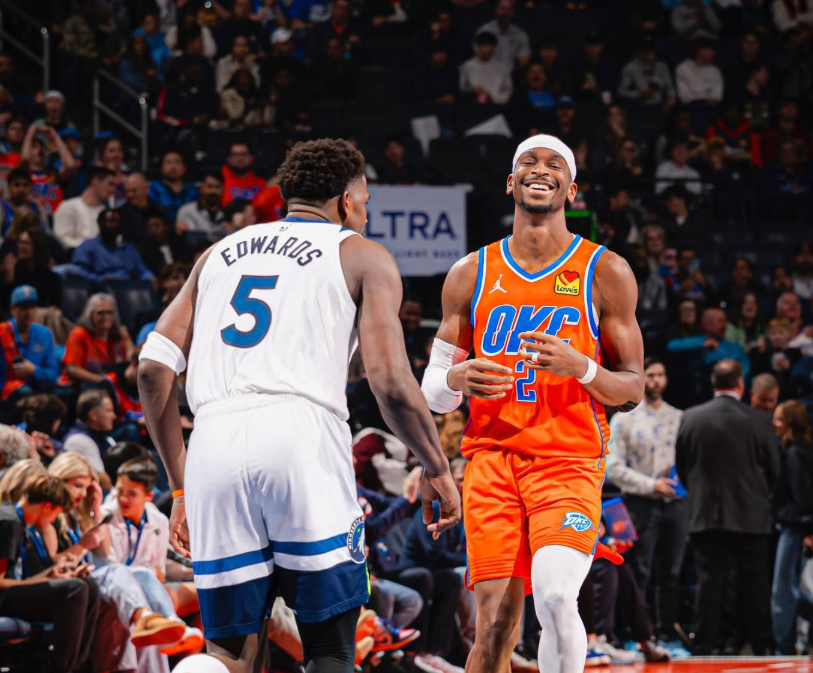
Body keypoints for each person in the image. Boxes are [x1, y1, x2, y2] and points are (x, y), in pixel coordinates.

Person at [137, 138, 460, 673]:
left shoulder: (217, 254)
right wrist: (436, 465)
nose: (365, 214)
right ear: (346, 202)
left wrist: (180, 486)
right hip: (301, 436)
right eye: (365, 203)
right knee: (330, 648)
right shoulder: (362, 254)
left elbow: (152, 369)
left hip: (213, 441)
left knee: (228, 654)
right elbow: (388, 380)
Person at [421, 134, 644, 673]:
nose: (540, 170)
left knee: (556, 595)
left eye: (554, 165)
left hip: (568, 461)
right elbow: (432, 393)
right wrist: (456, 377)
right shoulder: (469, 272)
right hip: (492, 462)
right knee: (493, 628)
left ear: (571, 188)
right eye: (528, 162)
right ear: (510, 182)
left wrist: (582, 367)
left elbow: (633, 388)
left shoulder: (605, 270)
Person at [675, 359, 778, 655]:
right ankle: (762, 647)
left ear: (713, 383)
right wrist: (759, 497)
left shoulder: (691, 417)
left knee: (709, 583)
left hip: (705, 514)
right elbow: (774, 470)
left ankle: (703, 646)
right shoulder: (759, 420)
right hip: (751, 514)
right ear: (741, 384)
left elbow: (683, 466)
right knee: (755, 584)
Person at [606, 358, 686, 643]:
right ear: (641, 378)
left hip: (676, 504)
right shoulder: (624, 418)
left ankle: (666, 634)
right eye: (650, 375)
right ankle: (639, 635)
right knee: (640, 571)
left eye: (660, 375)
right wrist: (652, 484)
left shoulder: (678, 417)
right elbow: (613, 467)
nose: (655, 380)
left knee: (672, 574)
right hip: (640, 503)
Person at [0, 473, 99, 673]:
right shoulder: (10, 522)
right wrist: (46, 580)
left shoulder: (18, 519)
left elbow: (17, 580)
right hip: (3, 598)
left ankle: (77, 668)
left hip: (12, 593)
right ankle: (61, 669)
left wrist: (49, 576)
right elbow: (1, 583)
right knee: (75, 589)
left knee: (90, 586)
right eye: (56, 514)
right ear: (47, 507)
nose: (52, 521)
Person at [771, 400, 813, 654]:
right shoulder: (796, 449)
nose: (774, 423)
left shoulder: (795, 453)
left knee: (784, 591)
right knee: (789, 589)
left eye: (779, 419)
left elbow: (803, 497)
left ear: (790, 424)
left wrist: (807, 529)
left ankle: (783, 647)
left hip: (795, 529)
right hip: (794, 527)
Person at [666, 307, 750, 405]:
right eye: (721, 321)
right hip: (698, 397)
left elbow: (746, 372)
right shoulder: (697, 342)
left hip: (729, 396)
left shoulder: (735, 348)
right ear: (707, 326)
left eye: (725, 321)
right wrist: (702, 344)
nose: (725, 325)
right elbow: (671, 346)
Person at [0, 285, 59, 403]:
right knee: (25, 392)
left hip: (38, 388)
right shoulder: (2, 333)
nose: (28, 312)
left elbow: (53, 374)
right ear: (12, 309)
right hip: (8, 392)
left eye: (32, 307)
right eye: (23, 307)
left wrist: (34, 371)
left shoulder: (45, 334)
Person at [73, 208, 155, 283]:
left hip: (127, 288)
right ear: (100, 223)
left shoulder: (129, 249)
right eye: (111, 221)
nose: (115, 225)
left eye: (118, 222)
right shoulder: (87, 246)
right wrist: (99, 279)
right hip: (99, 289)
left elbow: (142, 271)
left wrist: (151, 278)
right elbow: (79, 272)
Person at [63, 389, 117, 490]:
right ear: (93, 415)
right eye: (109, 411)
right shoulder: (78, 440)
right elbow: (103, 482)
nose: (114, 416)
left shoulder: (107, 440)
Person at [53, 166, 117, 250]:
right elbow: (62, 239)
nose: (113, 190)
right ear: (95, 182)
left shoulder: (106, 212)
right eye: (110, 184)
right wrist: (90, 248)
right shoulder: (68, 206)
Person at [617, 37, 676, 109]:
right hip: (638, 107)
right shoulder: (630, 68)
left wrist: (671, 98)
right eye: (645, 50)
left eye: (651, 50)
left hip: (659, 106)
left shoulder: (662, 67)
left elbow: (670, 88)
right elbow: (622, 92)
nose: (649, 53)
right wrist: (638, 94)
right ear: (639, 51)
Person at [459, 32, 513, 105]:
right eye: (484, 46)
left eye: (490, 46)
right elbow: (462, 89)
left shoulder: (502, 68)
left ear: (494, 48)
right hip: (473, 106)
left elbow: (508, 91)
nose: (487, 50)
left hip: (496, 106)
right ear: (478, 47)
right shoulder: (468, 66)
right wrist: (473, 91)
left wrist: (493, 98)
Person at [475, 0, 530, 71]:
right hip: (487, 73)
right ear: (496, 11)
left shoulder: (520, 34)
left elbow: (524, 59)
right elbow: (478, 57)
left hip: (511, 74)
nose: (505, 13)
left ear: (513, 12)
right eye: (502, 9)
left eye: (509, 9)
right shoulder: (484, 32)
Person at [148, 151, 198, 222]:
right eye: (168, 162)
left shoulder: (192, 190)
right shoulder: (154, 188)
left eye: (177, 162)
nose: (173, 167)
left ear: (184, 168)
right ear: (161, 168)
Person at [176, 172, 226, 239]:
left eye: (218, 187)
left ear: (223, 190)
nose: (214, 191)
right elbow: (191, 237)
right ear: (201, 188)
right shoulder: (187, 211)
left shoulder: (228, 212)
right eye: (210, 186)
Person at [675, 39, 724, 105]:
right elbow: (684, 97)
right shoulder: (682, 68)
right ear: (700, 51)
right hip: (690, 107)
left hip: (710, 107)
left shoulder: (714, 70)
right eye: (710, 50)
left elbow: (716, 95)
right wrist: (703, 99)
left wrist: (704, 99)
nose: (713, 53)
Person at [119, 171, 154, 243]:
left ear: (146, 188)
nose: (129, 195)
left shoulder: (158, 211)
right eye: (127, 191)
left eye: (133, 190)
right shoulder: (120, 213)